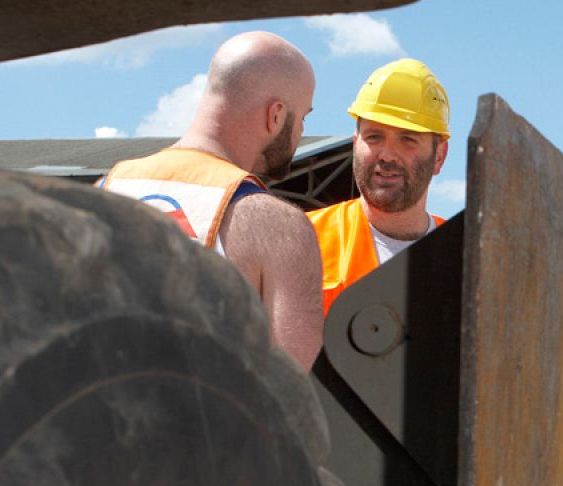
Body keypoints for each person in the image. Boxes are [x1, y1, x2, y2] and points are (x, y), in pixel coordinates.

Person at [102, 31, 323, 368]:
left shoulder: (103, 190)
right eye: (302, 117)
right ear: (276, 115)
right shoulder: (278, 227)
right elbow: (294, 385)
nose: (301, 131)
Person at [306, 58, 450, 313]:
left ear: (439, 156)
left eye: (407, 139)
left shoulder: (464, 255)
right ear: (355, 144)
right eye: (374, 137)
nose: (387, 155)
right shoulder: (304, 240)